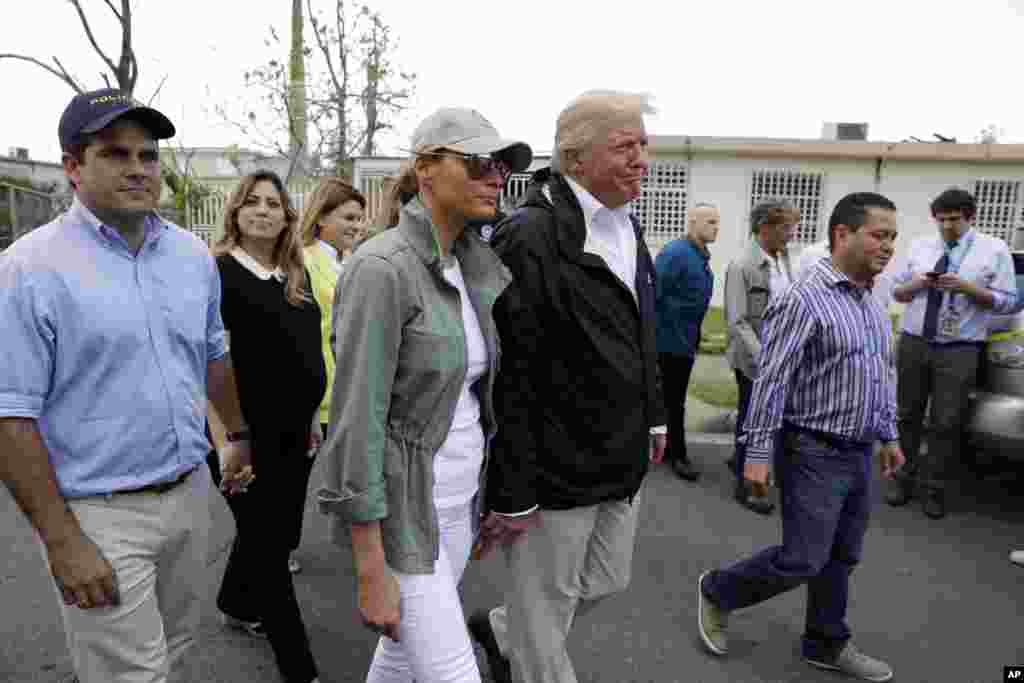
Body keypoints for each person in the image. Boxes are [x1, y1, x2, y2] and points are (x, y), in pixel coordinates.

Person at [0, 88, 253, 683]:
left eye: (148, 156)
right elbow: (11, 416)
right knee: (131, 675)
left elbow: (213, 355)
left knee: (180, 648)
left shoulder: (191, 257)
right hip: (100, 513)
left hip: (190, 495)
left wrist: (236, 433)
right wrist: (63, 542)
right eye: (116, 154)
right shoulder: (28, 269)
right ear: (72, 167)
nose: (138, 170)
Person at [317, 107, 533, 682]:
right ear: (426, 169)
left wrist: (487, 493)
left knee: (399, 659)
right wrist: (369, 564)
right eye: (480, 163)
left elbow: (473, 400)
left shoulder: (471, 263)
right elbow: (357, 421)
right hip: (403, 514)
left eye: (503, 167)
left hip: (456, 504)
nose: (497, 177)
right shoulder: (381, 269)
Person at [467, 90, 667, 683]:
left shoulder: (628, 227)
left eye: (644, 145)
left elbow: (641, 332)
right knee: (545, 621)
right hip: (554, 471)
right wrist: (512, 488)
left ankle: (505, 632)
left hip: (619, 457)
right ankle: (524, 642)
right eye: (625, 146)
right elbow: (511, 377)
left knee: (606, 580)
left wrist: (654, 415)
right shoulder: (529, 237)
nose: (641, 159)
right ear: (575, 159)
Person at [697, 192, 905, 683]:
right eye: (879, 235)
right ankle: (718, 591)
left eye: (893, 237)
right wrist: (758, 453)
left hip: (859, 452)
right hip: (811, 449)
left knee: (841, 557)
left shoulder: (871, 300)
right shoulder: (803, 299)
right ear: (842, 234)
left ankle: (826, 643)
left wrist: (889, 436)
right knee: (802, 559)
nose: (888, 246)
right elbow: (771, 379)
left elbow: (880, 375)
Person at [206, 170, 326, 683]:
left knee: (276, 535)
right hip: (243, 438)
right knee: (271, 550)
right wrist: (227, 439)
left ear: (287, 215)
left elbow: (305, 353)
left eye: (273, 203)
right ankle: (300, 668)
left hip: (296, 434)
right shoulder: (216, 273)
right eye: (252, 202)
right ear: (234, 212)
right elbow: (204, 363)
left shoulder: (293, 274)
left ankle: (236, 600)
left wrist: (311, 420)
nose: (263, 211)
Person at [888, 188, 1017, 519]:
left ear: (971, 217)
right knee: (907, 414)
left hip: (960, 346)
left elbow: (1010, 301)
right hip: (916, 341)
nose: (946, 226)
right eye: (941, 219)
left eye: (954, 220)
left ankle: (935, 488)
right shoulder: (919, 246)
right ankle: (903, 478)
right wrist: (917, 284)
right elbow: (897, 292)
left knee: (946, 422)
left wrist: (968, 288)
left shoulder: (994, 249)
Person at [296, 178, 367, 574]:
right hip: (317, 391)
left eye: (360, 218)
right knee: (297, 481)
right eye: (348, 217)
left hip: (349, 390)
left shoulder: (349, 260)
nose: (357, 225)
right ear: (322, 217)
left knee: (347, 476)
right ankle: (267, 557)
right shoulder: (303, 259)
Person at [723, 198, 799, 514]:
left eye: (793, 227)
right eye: (786, 227)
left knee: (774, 421)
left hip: (783, 355)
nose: (792, 234)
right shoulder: (742, 265)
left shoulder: (783, 257)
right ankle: (749, 484)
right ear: (764, 227)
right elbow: (737, 321)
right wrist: (765, 357)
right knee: (754, 423)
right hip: (757, 360)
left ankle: (758, 471)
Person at [654, 203, 719, 482]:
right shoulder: (676, 253)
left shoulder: (698, 254)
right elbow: (653, 293)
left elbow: (688, 299)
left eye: (717, 222)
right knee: (673, 401)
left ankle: (667, 447)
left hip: (684, 340)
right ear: (692, 222)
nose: (716, 227)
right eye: (710, 222)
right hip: (667, 342)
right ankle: (677, 454)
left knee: (671, 399)